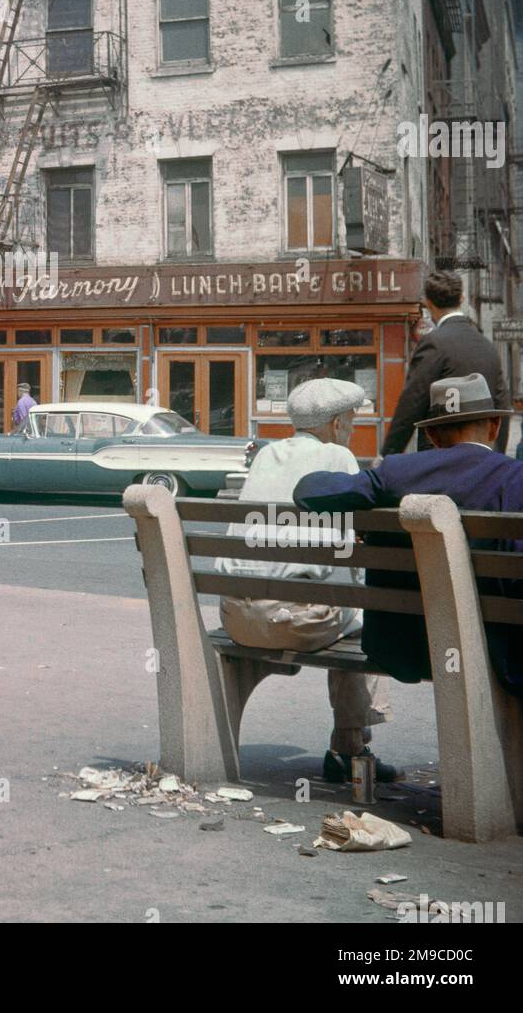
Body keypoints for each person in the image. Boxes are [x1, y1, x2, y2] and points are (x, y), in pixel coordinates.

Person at [294, 372, 523, 698]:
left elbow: (308, 492)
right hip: (499, 654)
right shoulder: (515, 479)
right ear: (494, 427)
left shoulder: (396, 472)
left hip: (408, 651)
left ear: (430, 433)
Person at [216, 378, 397, 783]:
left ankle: (216, 740)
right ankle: (350, 749)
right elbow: (348, 548)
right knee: (366, 621)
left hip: (239, 617)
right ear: (335, 424)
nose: (351, 428)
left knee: (339, 605)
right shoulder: (337, 455)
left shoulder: (265, 455)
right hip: (296, 623)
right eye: (350, 419)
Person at [382, 270, 509, 455]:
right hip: (483, 457)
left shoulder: (433, 343)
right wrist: (497, 455)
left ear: (428, 303)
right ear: (462, 298)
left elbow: (413, 401)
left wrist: (388, 455)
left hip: (440, 456)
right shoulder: (487, 346)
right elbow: (501, 405)